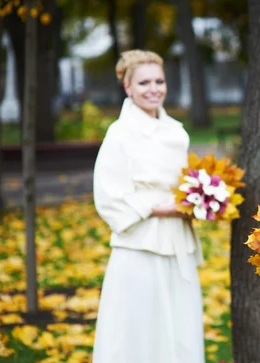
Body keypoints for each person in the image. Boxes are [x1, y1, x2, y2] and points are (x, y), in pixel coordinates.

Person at [92, 50, 205, 363]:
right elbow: (109, 198)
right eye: (144, 82)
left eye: (159, 80)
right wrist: (160, 209)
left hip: (179, 245)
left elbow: (183, 182)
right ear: (128, 87)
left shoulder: (177, 133)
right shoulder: (119, 134)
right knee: (138, 333)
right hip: (139, 247)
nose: (154, 88)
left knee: (179, 329)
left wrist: (202, 198)